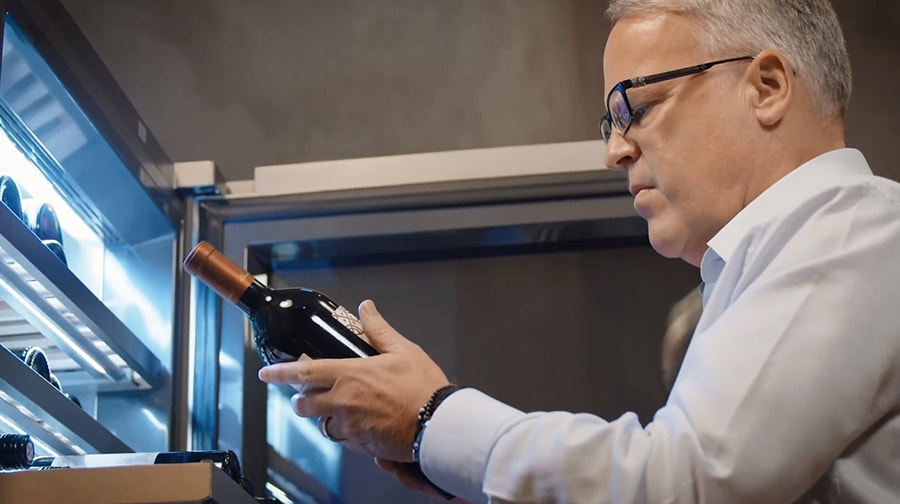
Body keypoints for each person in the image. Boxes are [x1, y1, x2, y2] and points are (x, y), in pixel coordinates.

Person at [259, 0, 900, 502]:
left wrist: (432, 418)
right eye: (610, 121)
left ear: (765, 86)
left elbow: (684, 483)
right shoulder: (776, 265)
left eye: (637, 106)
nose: (615, 150)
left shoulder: (854, 228)